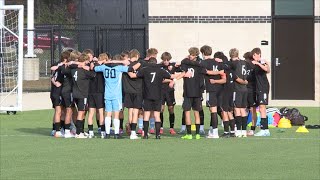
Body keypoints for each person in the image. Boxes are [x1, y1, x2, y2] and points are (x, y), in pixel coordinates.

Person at [129, 57, 176, 139]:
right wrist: (182, 75)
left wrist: (129, 70)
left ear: (149, 62)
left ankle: (146, 134)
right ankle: (158, 135)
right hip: (158, 95)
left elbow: (133, 75)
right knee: (157, 115)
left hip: (147, 95)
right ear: (156, 62)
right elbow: (171, 76)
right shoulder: (161, 70)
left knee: (146, 115)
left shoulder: (144, 69)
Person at [93, 57, 134, 139]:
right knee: (116, 114)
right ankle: (116, 133)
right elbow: (131, 67)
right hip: (117, 95)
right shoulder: (119, 68)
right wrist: (120, 61)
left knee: (108, 114)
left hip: (107, 94)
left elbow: (94, 68)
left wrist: (101, 61)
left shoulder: (104, 67)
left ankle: (107, 133)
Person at [200, 45, 226, 139]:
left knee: (213, 110)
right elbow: (223, 73)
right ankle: (212, 131)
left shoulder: (202, 62)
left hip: (211, 88)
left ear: (203, 53)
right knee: (218, 109)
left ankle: (215, 132)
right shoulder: (218, 62)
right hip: (220, 88)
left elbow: (206, 72)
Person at [70, 53, 96, 138]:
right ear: (85, 61)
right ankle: (78, 133)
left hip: (75, 94)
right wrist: (91, 67)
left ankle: (80, 131)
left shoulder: (73, 70)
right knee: (81, 113)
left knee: (80, 112)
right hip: (82, 94)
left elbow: (70, 65)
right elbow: (93, 74)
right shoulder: (84, 71)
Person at [122, 49, 144, 139]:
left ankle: (129, 125)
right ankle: (133, 133)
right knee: (136, 112)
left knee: (130, 111)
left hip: (128, 91)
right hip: (138, 91)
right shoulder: (141, 65)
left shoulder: (125, 66)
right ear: (138, 56)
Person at [251, 48, 271, 137]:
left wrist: (258, 63)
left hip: (263, 87)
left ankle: (263, 129)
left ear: (257, 54)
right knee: (262, 107)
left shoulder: (261, 61)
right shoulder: (257, 63)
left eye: (254, 55)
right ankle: (266, 129)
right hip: (259, 88)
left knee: (262, 107)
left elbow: (267, 70)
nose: (253, 57)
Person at [229, 48, 249, 137]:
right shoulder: (244, 62)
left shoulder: (233, 64)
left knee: (237, 109)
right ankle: (244, 131)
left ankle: (238, 131)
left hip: (237, 89)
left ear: (230, 55)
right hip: (244, 89)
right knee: (243, 110)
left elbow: (235, 77)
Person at [160, 52, 180, 135]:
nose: (166, 61)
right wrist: (171, 79)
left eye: (167, 60)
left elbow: (183, 72)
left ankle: (171, 128)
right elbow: (161, 79)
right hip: (161, 90)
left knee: (171, 109)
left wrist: (174, 79)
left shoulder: (173, 66)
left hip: (170, 91)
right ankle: (160, 127)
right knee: (161, 109)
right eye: (164, 60)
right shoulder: (159, 66)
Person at [243, 52, 257, 136]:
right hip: (247, 89)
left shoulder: (254, 66)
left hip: (250, 90)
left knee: (250, 109)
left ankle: (248, 129)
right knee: (248, 109)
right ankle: (248, 129)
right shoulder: (244, 65)